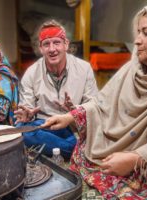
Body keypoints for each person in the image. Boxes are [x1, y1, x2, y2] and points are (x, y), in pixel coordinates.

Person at [43, 1, 147, 199]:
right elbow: (103, 104)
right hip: (120, 143)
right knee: (74, 145)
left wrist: (136, 159)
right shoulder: (133, 70)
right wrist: (71, 116)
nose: (137, 40)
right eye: (138, 32)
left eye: (146, 33)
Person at [15, 20, 98, 159]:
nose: (52, 49)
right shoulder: (31, 73)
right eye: (46, 44)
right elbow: (26, 107)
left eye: (56, 42)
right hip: (46, 127)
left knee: (99, 128)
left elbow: (95, 104)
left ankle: (69, 148)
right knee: (21, 130)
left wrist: (74, 110)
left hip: (73, 126)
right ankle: (78, 150)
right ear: (41, 48)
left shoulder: (84, 68)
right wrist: (28, 114)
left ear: (66, 45)